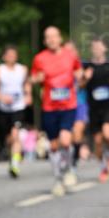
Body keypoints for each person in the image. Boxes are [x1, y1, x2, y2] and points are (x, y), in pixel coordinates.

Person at [30, 27, 83, 196]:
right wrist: (37, 79)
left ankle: (68, 170)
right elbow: (33, 78)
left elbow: (78, 71)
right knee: (53, 146)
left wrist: (82, 76)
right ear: (45, 41)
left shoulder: (70, 55)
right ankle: (57, 179)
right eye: (48, 37)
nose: (52, 40)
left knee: (66, 141)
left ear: (60, 38)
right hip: (49, 107)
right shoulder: (40, 58)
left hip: (68, 104)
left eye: (54, 36)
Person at [0, 45, 31, 178]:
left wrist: (28, 95)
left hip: (18, 107)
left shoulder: (22, 69)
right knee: (9, 138)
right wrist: (2, 97)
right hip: (4, 109)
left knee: (15, 134)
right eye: (9, 54)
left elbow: (26, 84)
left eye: (14, 54)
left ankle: (15, 164)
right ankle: (13, 156)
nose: (12, 57)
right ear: (4, 56)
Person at [82, 38, 109, 182]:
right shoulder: (87, 66)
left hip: (108, 107)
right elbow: (80, 86)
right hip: (93, 108)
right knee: (97, 142)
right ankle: (103, 167)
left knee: (108, 135)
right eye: (94, 47)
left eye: (99, 46)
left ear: (105, 48)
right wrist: (86, 78)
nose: (97, 49)